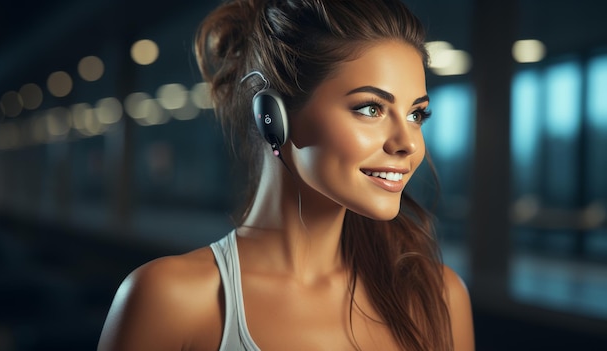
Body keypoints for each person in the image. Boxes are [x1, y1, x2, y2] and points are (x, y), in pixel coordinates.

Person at [97, 0, 475, 350]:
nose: (408, 143)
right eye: (371, 109)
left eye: (416, 114)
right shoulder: (170, 300)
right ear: (272, 118)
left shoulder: (437, 297)